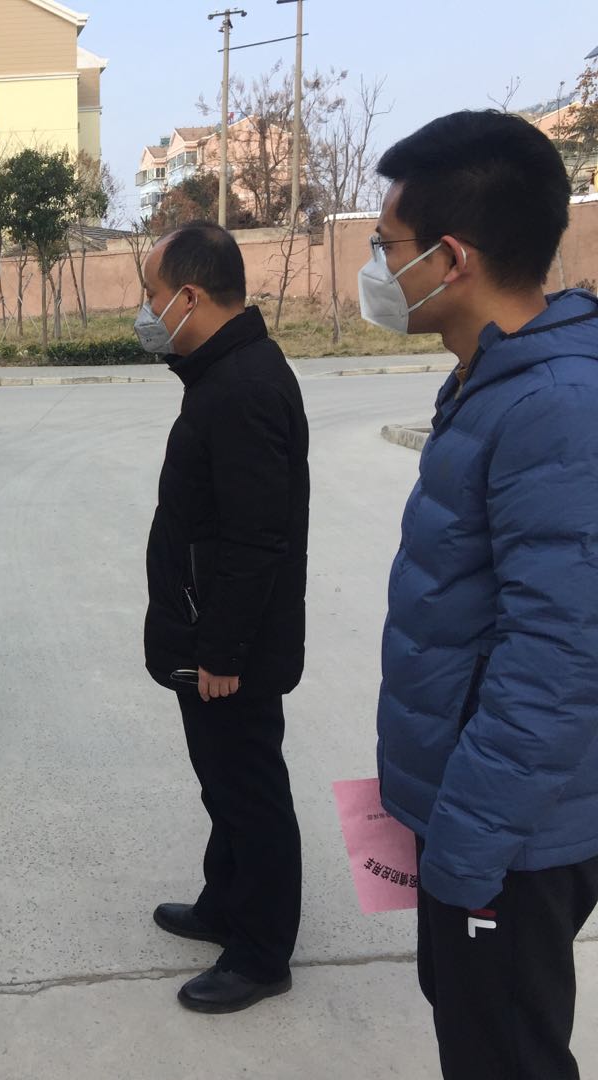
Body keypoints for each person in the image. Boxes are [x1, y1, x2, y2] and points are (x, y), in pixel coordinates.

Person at [370, 111, 598, 1080]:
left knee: (505, 1053)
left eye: (388, 247)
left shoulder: (555, 406)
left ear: (451, 258)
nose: (379, 270)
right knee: (475, 1033)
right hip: (477, 814)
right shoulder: (493, 378)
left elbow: (557, 665)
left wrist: (465, 846)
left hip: (509, 835)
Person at [140, 223, 309, 1013]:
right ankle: (226, 902)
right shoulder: (223, 374)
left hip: (230, 645)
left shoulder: (243, 388)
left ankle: (262, 951)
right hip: (210, 628)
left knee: (249, 788)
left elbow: (255, 539)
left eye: (151, 297)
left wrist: (222, 650)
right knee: (223, 781)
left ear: (190, 296)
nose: (147, 313)